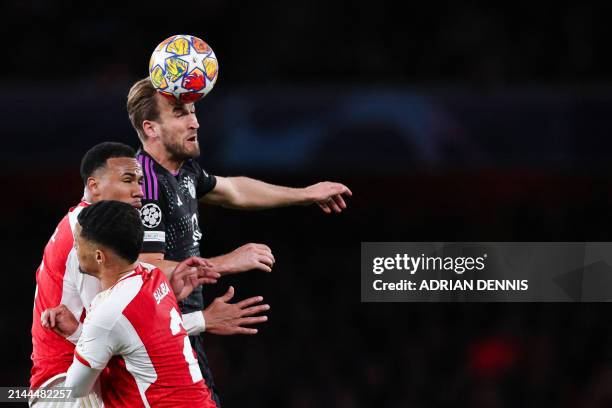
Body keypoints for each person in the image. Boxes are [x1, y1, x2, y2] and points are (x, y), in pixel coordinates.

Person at [127, 78, 353, 405]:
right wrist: (224, 263)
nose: (195, 121)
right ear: (152, 129)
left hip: (181, 337)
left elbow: (233, 190)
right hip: (156, 355)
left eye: (193, 111)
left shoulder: (183, 170)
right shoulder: (144, 184)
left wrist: (305, 194)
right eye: (180, 114)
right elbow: (143, 274)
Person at [31, 142, 268, 406]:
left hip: (86, 370)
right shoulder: (88, 238)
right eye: (128, 180)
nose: (139, 192)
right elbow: (118, 330)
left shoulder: (98, 232)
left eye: (141, 182)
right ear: (94, 186)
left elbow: (116, 327)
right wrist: (204, 313)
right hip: (65, 384)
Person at [56, 200, 216, 407]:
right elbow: (139, 341)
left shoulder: (110, 310)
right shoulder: (154, 276)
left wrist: (11, 395)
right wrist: (80, 333)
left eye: (77, 244)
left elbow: (75, 389)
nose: (74, 249)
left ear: (99, 257)